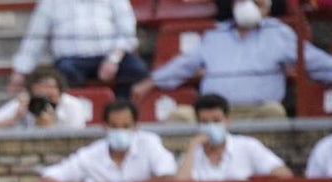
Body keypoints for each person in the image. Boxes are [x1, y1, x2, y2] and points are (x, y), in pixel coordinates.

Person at [131, 0, 332, 121]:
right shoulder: (214, 35)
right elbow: (184, 65)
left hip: (258, 111)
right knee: (179, 117)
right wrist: (151, 82)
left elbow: (316, 61)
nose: (248, 7)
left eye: (256, 3)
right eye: (243, 2)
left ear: (266, 9)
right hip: (213, 113)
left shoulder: (279, 33)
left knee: (275, 113)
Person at [9, 0, 148, 99]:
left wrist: (113, 60)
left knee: (137, 69)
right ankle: (78, 116)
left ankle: (121, 110)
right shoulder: (50, 2)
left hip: (111, 57)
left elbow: (128, 33)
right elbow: (35, 37)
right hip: (71, 61)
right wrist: (21, 71)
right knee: (63, 74)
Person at [40, 98, 177, 182]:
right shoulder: (91, 154)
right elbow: (50, 178)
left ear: (136, 126)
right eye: (114, 126)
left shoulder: (149, 143)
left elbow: (168, 176)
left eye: (126, 126)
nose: (120, 131)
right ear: (105, 127)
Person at [176, 93, 293, 181]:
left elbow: (284, 174)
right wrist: (193, 146)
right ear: (198, 125)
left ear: (227, 121)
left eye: (216, 121)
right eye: (205, 123)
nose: (211, 126)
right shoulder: (191, 154)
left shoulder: (248, 146)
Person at [0, 65, 90, 131]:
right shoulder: (25, 103)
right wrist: (14, 119)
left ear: (59, 90)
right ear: (31, 91)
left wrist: (49, 127)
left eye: (50, 87)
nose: (45, 92)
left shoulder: (73, 105)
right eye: (41, 88)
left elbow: (77, 139)